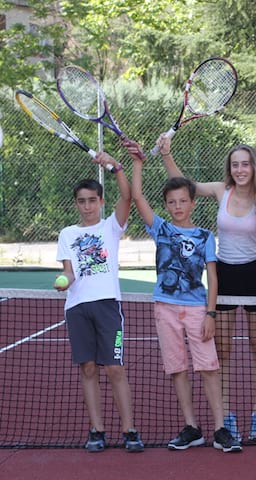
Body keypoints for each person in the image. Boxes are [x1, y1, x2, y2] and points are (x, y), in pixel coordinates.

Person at [157, 135, 256, 442]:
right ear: (230, 168)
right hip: (223, 274)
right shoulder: (221, 190)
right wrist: (166, 154)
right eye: (235, 164)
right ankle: (225, 414)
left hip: (255, 274)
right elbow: (184, 184)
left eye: (245, 164)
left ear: (254, 166)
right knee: (221, 349)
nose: (240, 170)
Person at [129, 140, 241, 453]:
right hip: (165, 307)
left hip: (197, 310)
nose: (178, 206)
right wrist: (138, 163)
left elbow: (213, 277)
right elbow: (137, 196)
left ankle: (221, 429)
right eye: (172, 202)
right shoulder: (161, 229)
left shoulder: (205, 236)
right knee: (177, 369)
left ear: (193, 203)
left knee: (208, 368)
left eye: (183, 201)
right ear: (167, 206)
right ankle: (192, 427)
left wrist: (211, 313)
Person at [55, 152, 144, 453]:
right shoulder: (67, 234)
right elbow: (68, 272)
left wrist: (116, 166)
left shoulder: (111, 227)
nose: (87, 206)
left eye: (92, 200)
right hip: (77, 308)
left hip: (108, 306)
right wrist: (64, 281)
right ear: (76, 204)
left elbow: (128, 196)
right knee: (88, 369)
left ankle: (129, 430)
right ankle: (97, 430)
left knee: (115, 369)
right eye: (82, 201)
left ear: (101, 202)